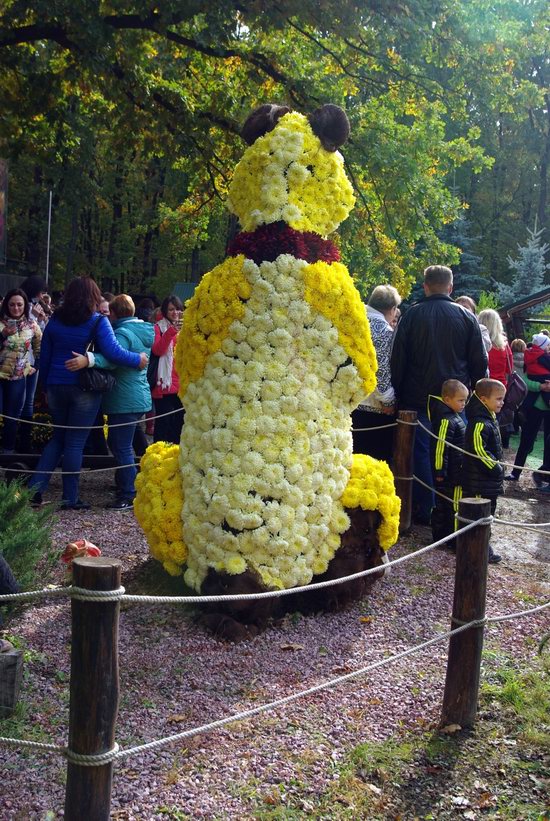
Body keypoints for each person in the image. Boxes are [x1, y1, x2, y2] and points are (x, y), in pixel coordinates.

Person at [27, 277, 148, 510]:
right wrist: (138, 359)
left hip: (55, 386)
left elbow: (45, 356)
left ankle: (35, 490)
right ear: (93, 296)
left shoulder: (54, 321)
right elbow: (114, 352)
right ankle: (70, 498)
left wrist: (44, 388)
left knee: (58, 438)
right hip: (83, 388)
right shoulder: (97, 321)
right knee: (74, 443)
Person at [391, 265, 488, 525]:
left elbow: (397, 359)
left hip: (418, 397)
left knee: (422, 453)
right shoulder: (467, 318)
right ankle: (450, 507)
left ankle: (428, 506)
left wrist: (398, 393)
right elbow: (479, 362)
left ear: (425, 286)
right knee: (455, 452)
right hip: (455, 400)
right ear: (450, 287)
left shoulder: (411, 316)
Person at [66, 295, 154, 510]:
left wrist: (89, 359)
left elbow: (115, 358)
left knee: (120, 446)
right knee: (127, 444)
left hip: (124, 398)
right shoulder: (143, 331)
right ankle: (127, 484)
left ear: (114, 313)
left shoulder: (122, 333)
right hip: (137, 396)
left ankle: (129, 493)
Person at [352, 284, 401, 462]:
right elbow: (381, 371)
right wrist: (388, 400)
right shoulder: (383, 331)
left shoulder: (352, 322)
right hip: (374, 409)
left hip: (349, 403)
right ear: (392, 309)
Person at [463, 378, 505, 563]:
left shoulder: (490, 418)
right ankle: (477, 549)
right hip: (480, 479)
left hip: (488, 481)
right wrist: (496, 469)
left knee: (487, 514)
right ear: (484, 399)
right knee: (480, 515)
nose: (501, 402)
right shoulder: (480, 422)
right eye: (498, 399)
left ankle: (482, 546)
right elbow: (479, 451)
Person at [0, 289, 42, 453]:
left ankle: (8, 451)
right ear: (6, 305)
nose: (15, 308)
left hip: (17, 376)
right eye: (12, 304)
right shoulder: (1, 323)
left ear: (25, 306)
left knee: (12, 416)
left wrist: (35, 367)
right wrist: (2, 335)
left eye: (19, 304)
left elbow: (40, 348)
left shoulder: (32, 325)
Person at [428, 379, 468, 547]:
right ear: (447, 400)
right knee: (444, 505)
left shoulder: (454, 417)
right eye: (460, 400)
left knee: (451, 504)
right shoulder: (446, 420)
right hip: (447, 473)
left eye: (465, 400)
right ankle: (443, 537)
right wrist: (439, 471)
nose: (463, 404)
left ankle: (450, 536)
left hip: (456, 471)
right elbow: (440, 447)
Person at [505, 372, 550, 487]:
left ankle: (545, 477)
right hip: (533, 407)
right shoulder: (535, 358)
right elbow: (524, 380)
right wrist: (540, 386)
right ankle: (515, 473)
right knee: (526, 441)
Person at [151, 295, 184, 444]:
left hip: (181, 382)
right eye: (171, 309)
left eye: (177, 309)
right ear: (165, 311)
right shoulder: (158, 327)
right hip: (164, 383)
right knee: (163, 422)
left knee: (179, 423)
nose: (175, 312)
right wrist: (171, 332)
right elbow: (158, 350)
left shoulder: (186, 328)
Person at [478, 308, 513, 446]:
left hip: (481, 387)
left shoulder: (480, 344)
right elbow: (509, 369)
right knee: (494, 423)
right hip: (499, 388)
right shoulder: (504, 345)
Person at [523, 333, 550, 407]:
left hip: (532, 375)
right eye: (547, 345)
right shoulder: (542, 356)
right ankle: (548, 402)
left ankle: (524, 409)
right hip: (543, 375)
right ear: (542, 346)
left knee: (532, 395)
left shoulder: (530, 353)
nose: (549, 347)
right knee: (546, 390)